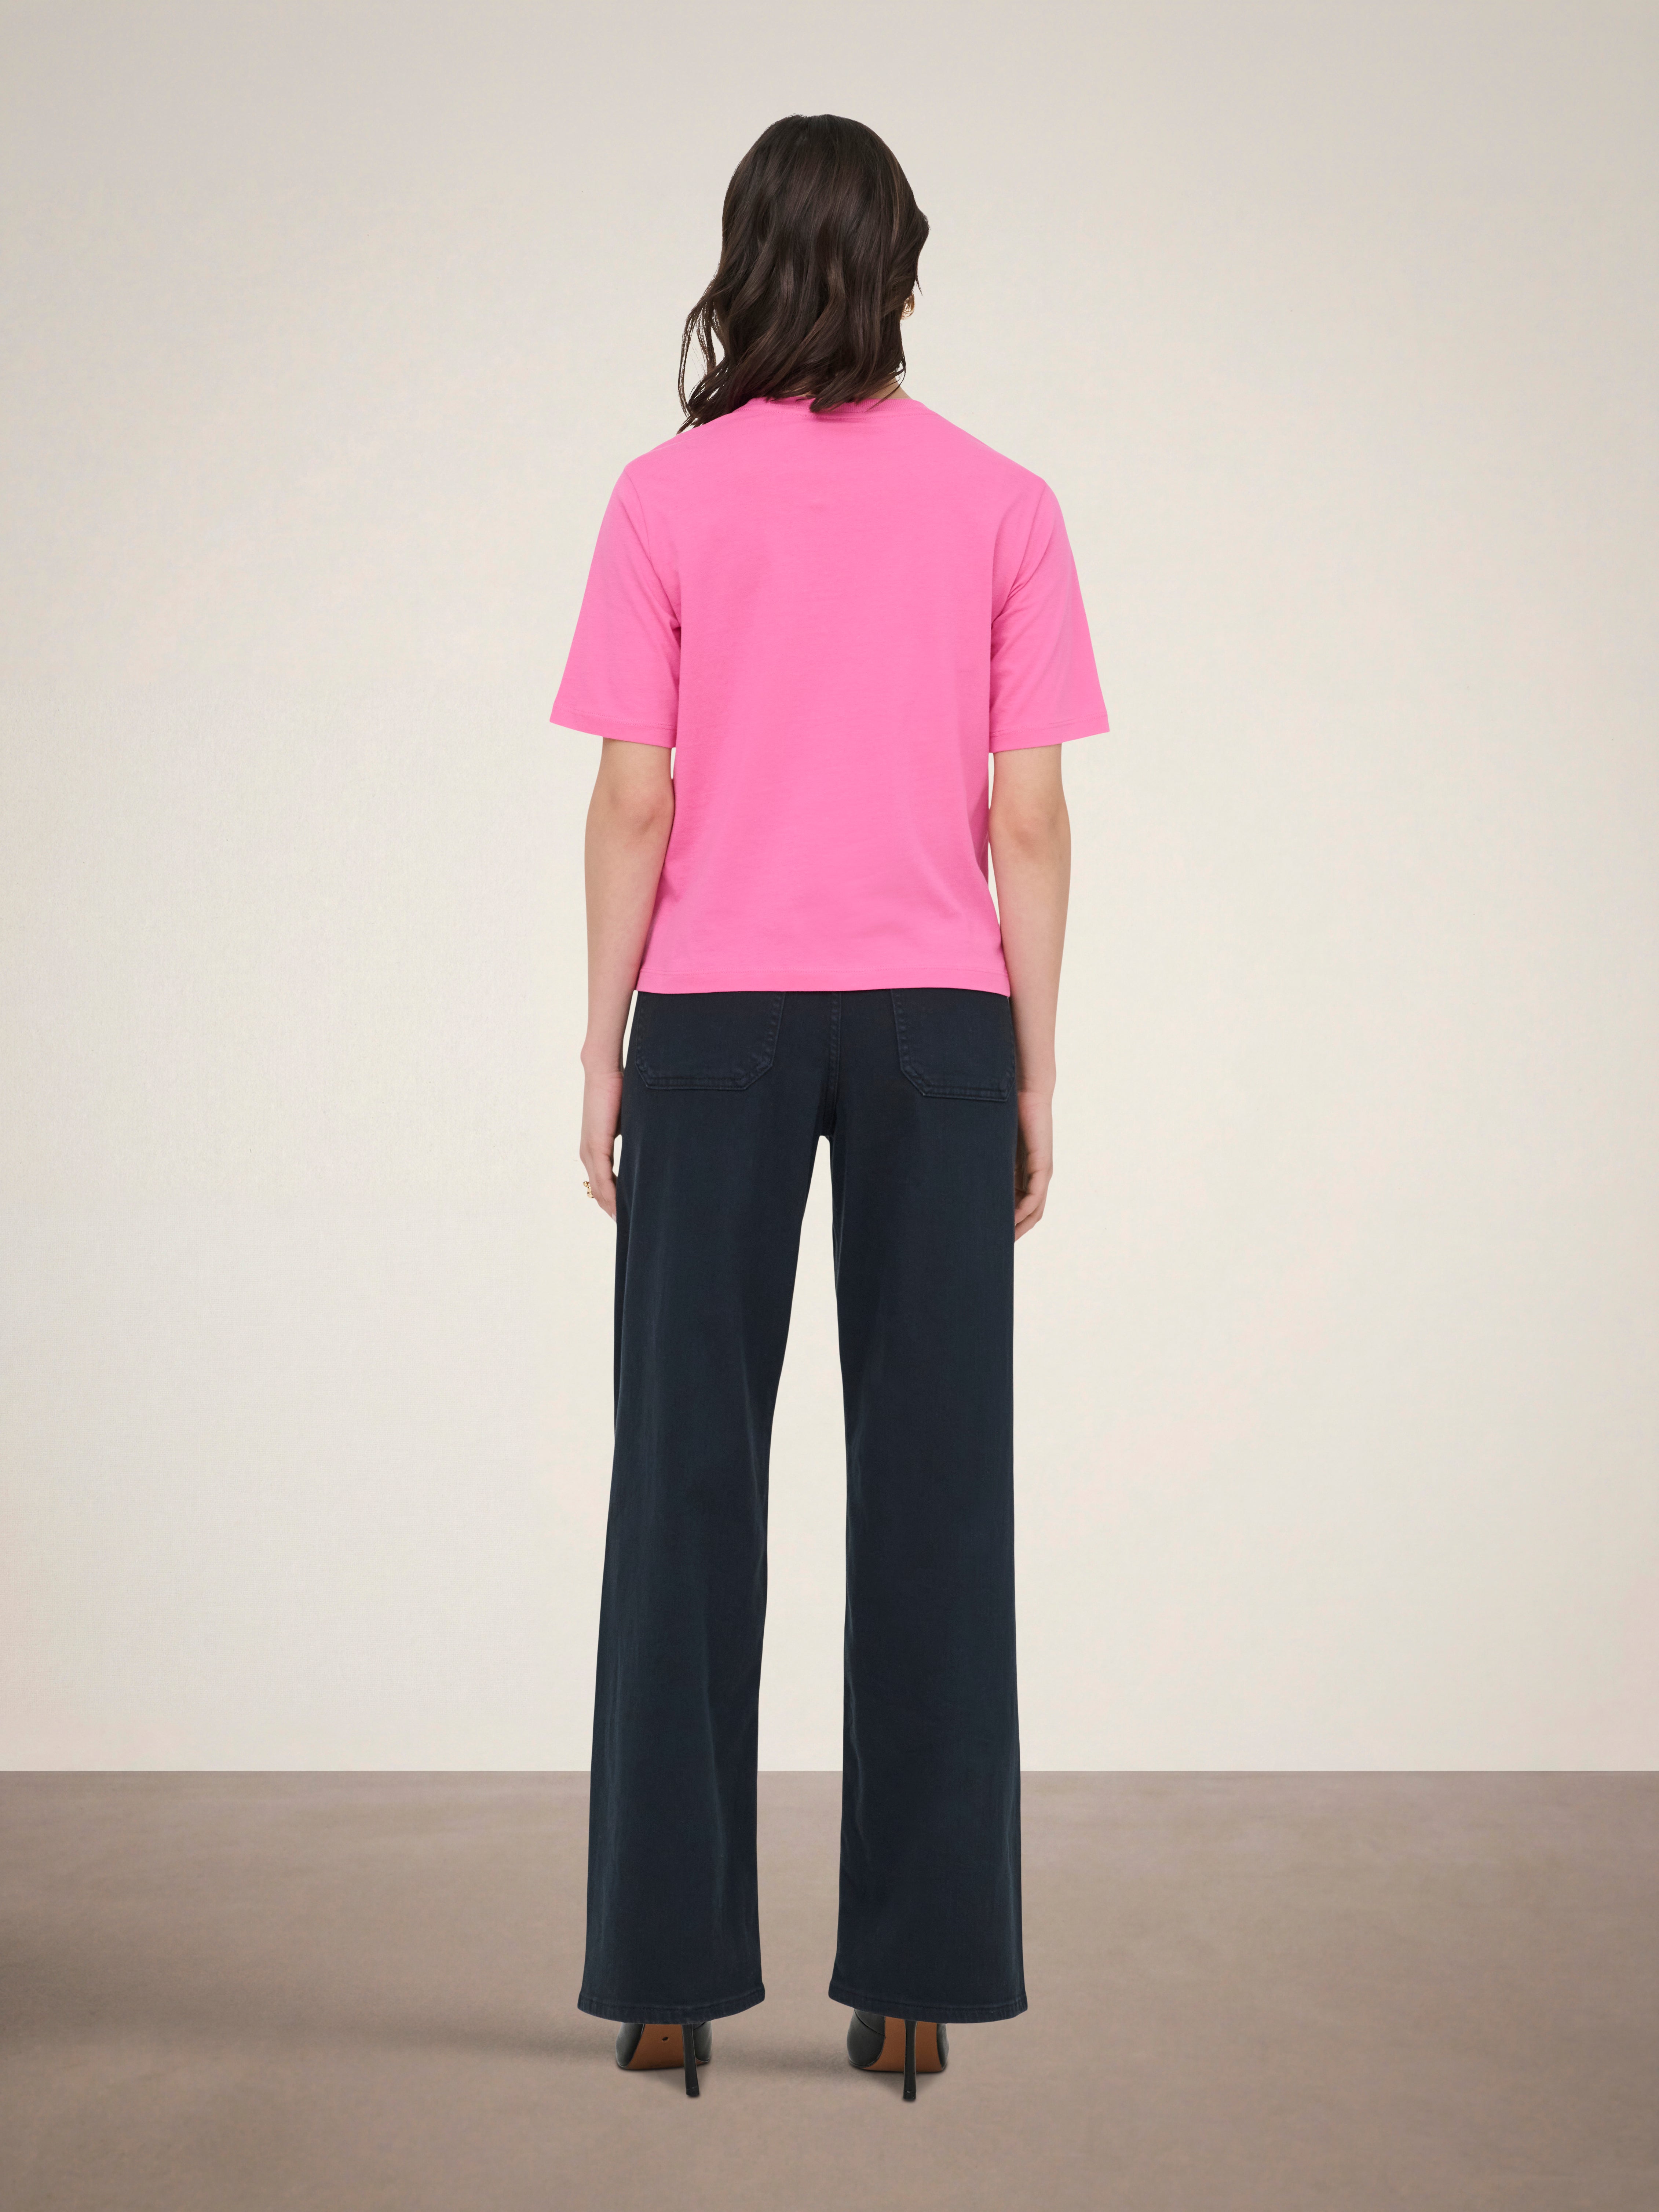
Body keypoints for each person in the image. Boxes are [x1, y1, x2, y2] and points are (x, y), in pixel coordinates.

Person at [550, 113, 1107, 2102]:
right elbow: (1029, 819)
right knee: (939, 1495)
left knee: (683, 1486)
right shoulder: (1004, 503)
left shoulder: (665, 497)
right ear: (902, 271)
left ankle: (668, 1978)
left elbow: (635, 798)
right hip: (937, 1026)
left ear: (745, 262)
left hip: (715, 1019)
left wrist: (602, 1042)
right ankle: (921, 1984)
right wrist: (1035, 1059)